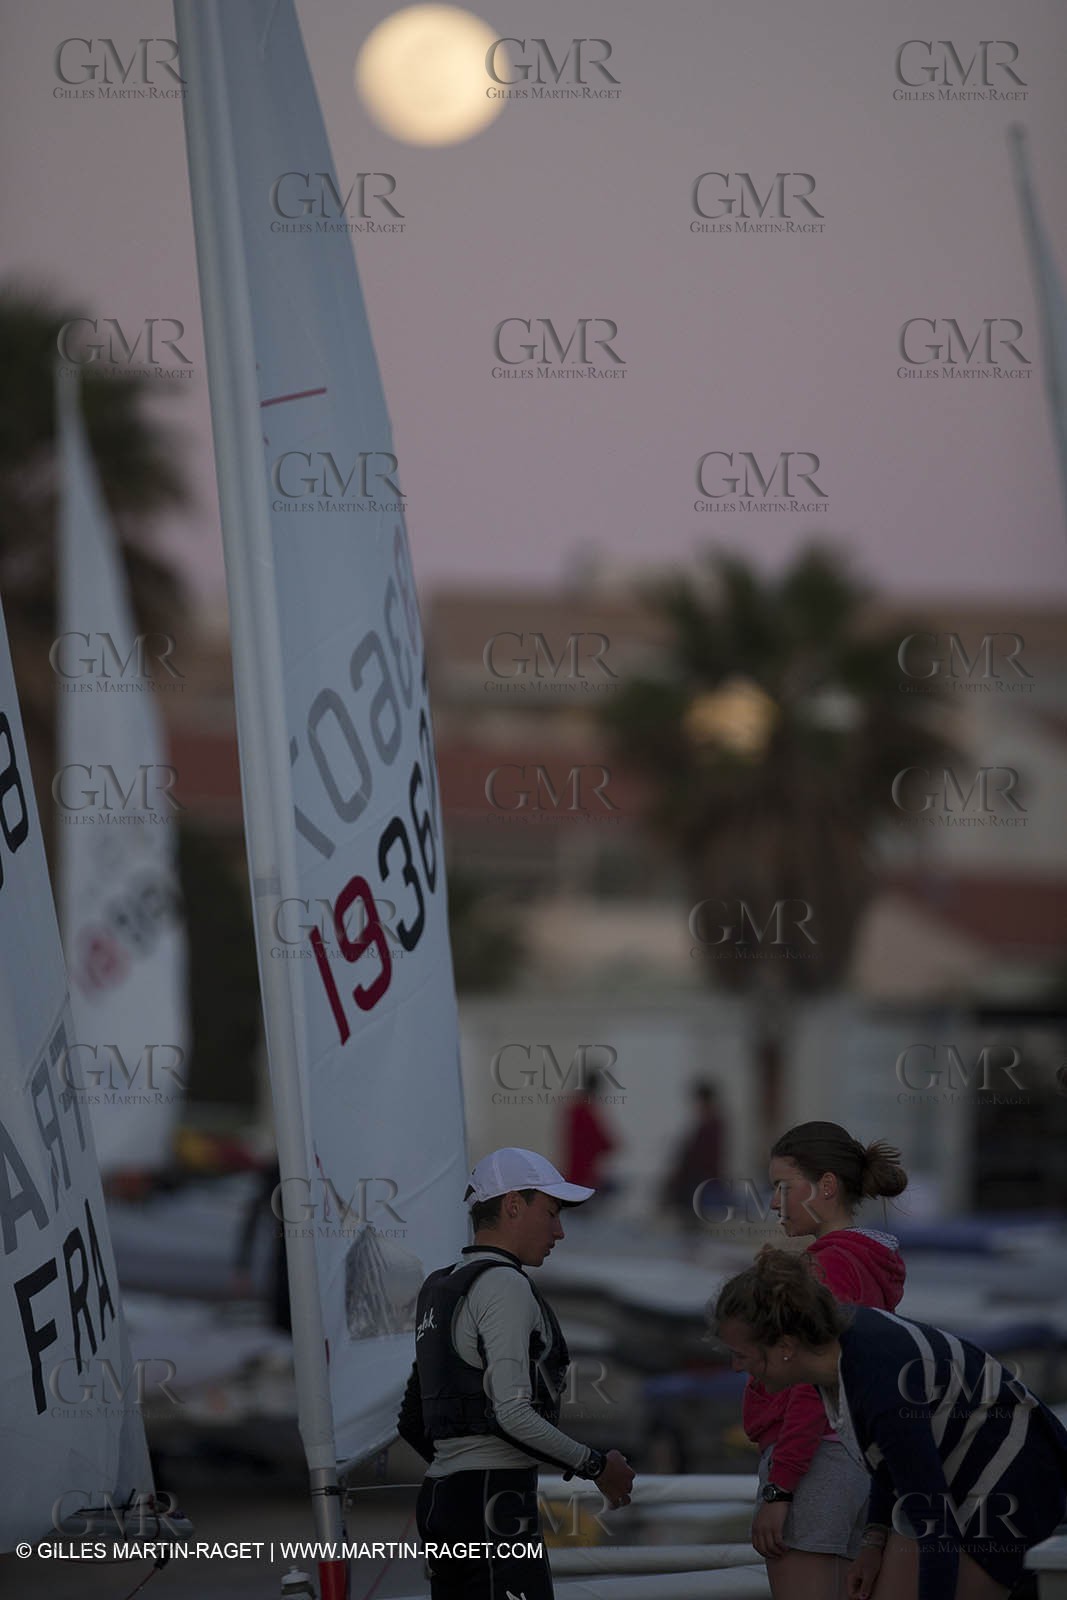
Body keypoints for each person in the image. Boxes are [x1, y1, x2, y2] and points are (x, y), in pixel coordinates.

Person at [715, 1247, 1067, 1600]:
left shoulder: (879, 1384)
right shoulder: (845, 1348)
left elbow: (935, 1525)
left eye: (740, 1355)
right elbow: (892, 1459)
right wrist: (874, 1541)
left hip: (1015, 1487)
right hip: (976, 1478)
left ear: (786, 1347)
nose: (735, 1367)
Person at [397, 1147, 635, 1599]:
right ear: (512, 1206)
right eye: (551, 1212)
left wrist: (457, 1473)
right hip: (495, 1500)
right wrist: (598, 1466)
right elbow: (510, 1413)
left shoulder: (440, 1286)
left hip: (441, 1501)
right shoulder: (505, 1284)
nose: (560, 1231)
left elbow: (412, 1418)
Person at [744, 1122, 908, 1598]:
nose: (774, 1203)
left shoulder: (826, 1267)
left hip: (815, 1464)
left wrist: (780, 1488)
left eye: (782, 1187)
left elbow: (812, 1385)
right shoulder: (869, 1263)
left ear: (827, 1186)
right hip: (858, 1464)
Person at [661, 1079, 727, 1228]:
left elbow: (703, 1155)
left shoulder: (711, 1125)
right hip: (697, 1179)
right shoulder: (709, 1123)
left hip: (698, 1179)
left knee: (693, 1222)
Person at [559, 1069, 617, 1193]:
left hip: (574, 1173)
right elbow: (604, 1143)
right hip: (584, 1177)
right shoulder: (585, 1111)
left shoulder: (574, 1109)